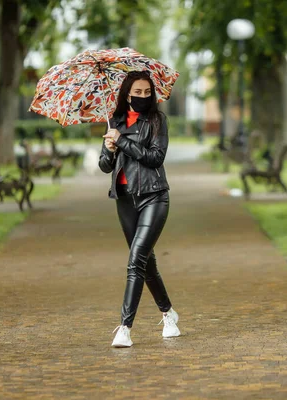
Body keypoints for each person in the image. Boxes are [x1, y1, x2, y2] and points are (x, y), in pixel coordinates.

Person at [99, 70, 180, 348]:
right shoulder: (116, 121)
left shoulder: (158, 120)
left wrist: (122, 141)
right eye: (138, 92)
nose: (143, 97)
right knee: (147, 264)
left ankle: (125, 327)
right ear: (127, 94)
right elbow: (105, 166)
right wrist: (110, 148)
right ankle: (168, 313)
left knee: (135, 262)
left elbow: (156, 158)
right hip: (125, 199)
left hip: (154, 197)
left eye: (147, 92)